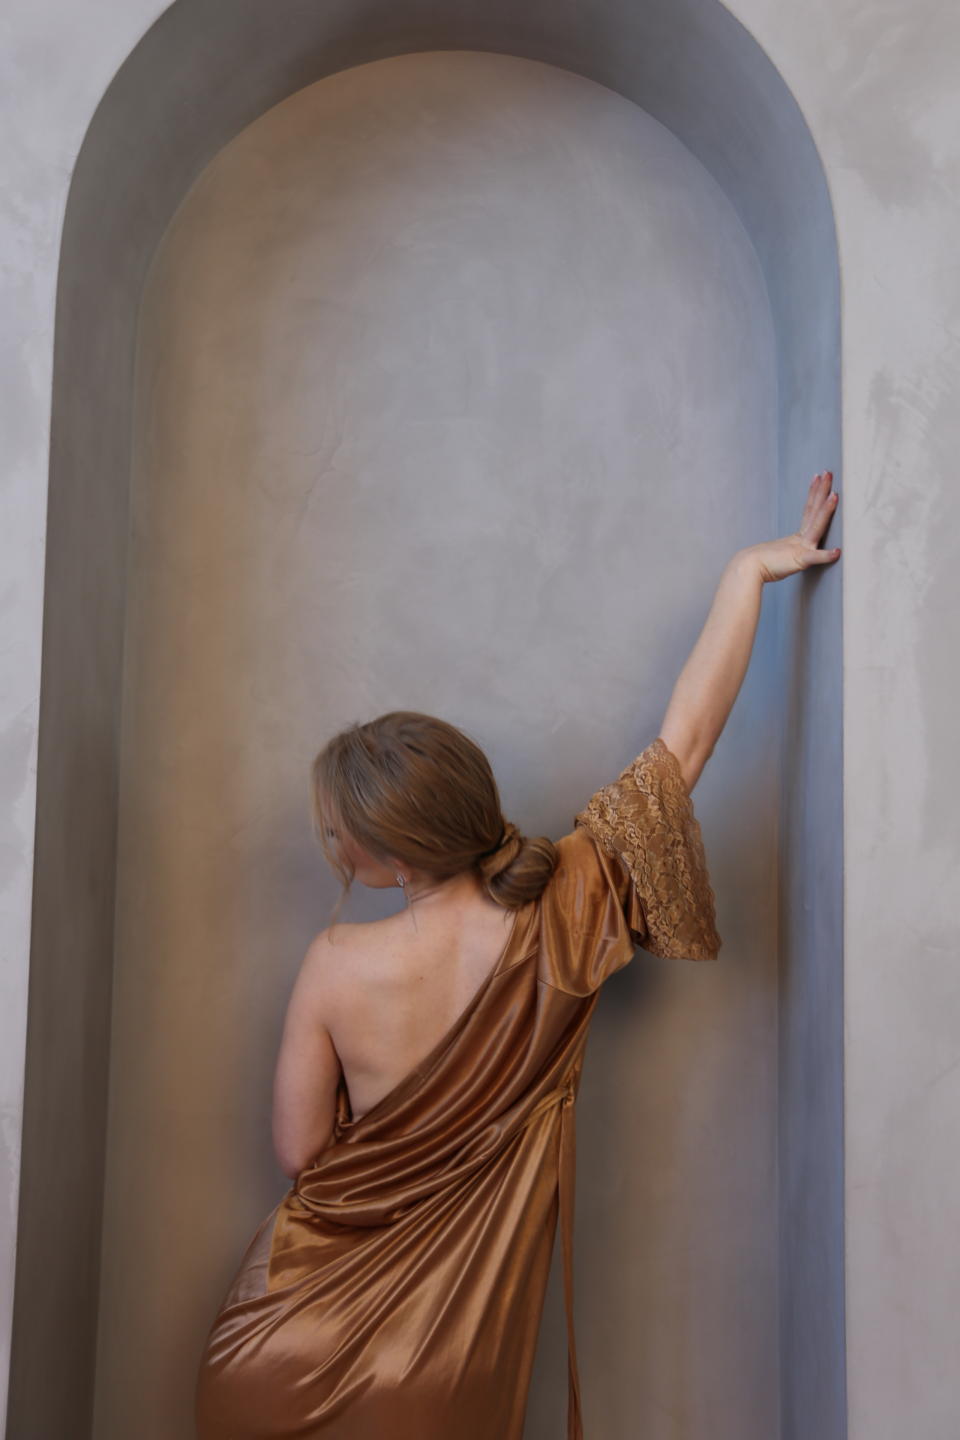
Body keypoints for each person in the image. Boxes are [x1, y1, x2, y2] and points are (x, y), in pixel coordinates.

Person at [195, 472, 841, 1439]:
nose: (331, 846)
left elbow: (299, 1156)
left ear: (394, 853)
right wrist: (750, 569)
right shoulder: (567, 907)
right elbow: (689, 743)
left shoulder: (333, 963)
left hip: (283, 1341)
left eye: (338, 832)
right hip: (439, 1366)